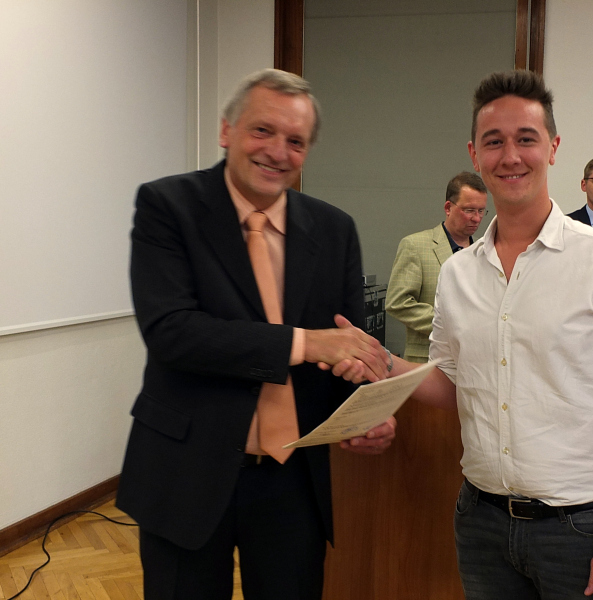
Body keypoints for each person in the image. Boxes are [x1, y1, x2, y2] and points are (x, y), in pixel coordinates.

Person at [376, 71, 593, 598]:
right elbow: (451, 384)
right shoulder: (457, 274)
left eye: (526, 139)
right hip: (482, 523)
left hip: (583, 529)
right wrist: (381, 362)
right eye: (494, 141)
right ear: (475, 154)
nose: (510, 156)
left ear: (553, 148)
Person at [116, 68, 395, 600]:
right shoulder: (168, 206)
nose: (277, 152)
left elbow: (348, 347)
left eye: (296, 141)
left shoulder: (335, 229)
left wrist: (365, 413)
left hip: (292, 482)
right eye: (263, 130)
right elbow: (172, 332)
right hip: (186, 474)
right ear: (227, 130)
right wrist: (304, 342)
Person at [386, 172, 488, 362]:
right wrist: (451, 324)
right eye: (469, 210)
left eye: (481, 211)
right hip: (428, 360)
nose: (476, 218)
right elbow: (397, 303)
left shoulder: (485, 252)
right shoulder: (415, 246)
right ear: (448, 208)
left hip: (474, 362)